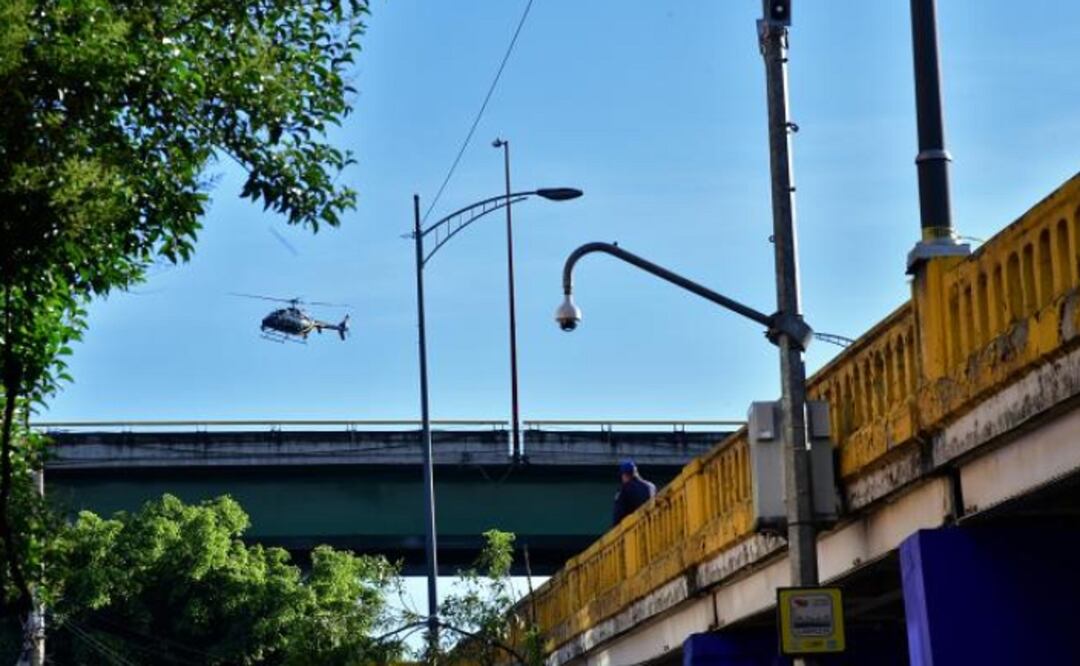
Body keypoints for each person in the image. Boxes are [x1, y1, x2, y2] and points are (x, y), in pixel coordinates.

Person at [612, 459, 657, 525]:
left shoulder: (624, 489)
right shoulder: (648, 487)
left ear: (624, 475)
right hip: (649, 524)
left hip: (632, 527)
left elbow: (618, 513)